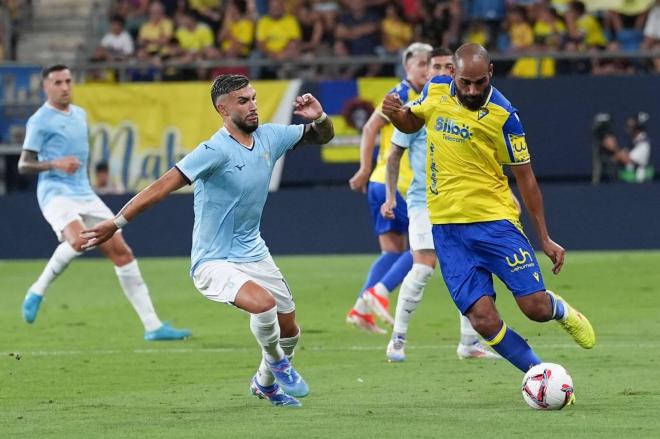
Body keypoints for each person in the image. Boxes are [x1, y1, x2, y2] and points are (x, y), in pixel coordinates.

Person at [81, 74, 335, 408]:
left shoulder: (271, 136)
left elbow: (322, 136)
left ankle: (265, 383)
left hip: (254, 252)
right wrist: (116, 223)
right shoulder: (212, 150)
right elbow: (161, 186)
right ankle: (276, 362)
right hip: (214, 260)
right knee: (263, 305)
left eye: (254, 98)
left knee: (290, 329)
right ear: (223, 108)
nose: (253, 106)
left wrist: (320, 117)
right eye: (243, 101)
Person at [382, 43, 595, 378]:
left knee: (534, 309)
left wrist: (545, 236)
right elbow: (412, 123)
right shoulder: (435, 89)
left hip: (495, 223)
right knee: (482, 319)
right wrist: (396, 113)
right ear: (451, 73)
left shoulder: (505, 115)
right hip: (448, 230)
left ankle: (561, 311)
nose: (472, 90)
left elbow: (526, 178)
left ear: (491, 73)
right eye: (466, 82)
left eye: (480, 82)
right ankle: (539, 374)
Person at [18, 65, 191, 341]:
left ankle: (153, 326)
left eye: (68, 81)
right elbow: (24, 164)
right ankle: (37, 290)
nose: (65, 87)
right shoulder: (40, 120)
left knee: (122, 253)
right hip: (55, 192)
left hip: (84, 193)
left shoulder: (80, 115)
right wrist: (55, 163)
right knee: (77, 241)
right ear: (46, 87)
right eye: (58, 82)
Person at [381, 47, 500, 362]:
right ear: (428, 69)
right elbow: (394, 154)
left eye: (449, 66)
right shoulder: (419, 108)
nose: (442, 71)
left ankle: (469, 343)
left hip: (461, 204)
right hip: (423, 201)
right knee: (422, 268)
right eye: (436, 66)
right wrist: (392, 196)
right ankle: (397, 339)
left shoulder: (469, 108)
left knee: (471, 266)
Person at [346, 42, 432, 334]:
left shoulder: (425, 96)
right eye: (420, 64)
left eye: (429, 64)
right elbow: (370, 127)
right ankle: (376, 293)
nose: (426, 69)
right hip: (396, 185)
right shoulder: (403, 94)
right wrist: (364, 167)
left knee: (393, 253)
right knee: (428, 246)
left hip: (383, 184)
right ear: (407, 66)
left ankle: (361, 309)